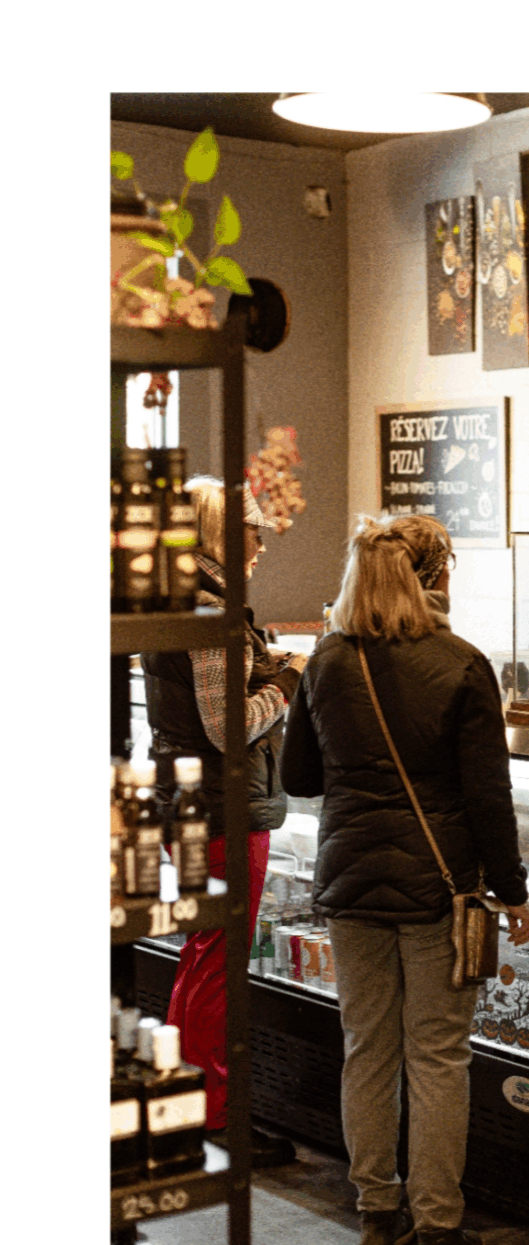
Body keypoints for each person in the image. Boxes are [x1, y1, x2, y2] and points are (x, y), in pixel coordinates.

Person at [279, 513, 529, 1245]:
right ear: (437, 576)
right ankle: (437, 1223)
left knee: (367, 1047)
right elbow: (489, 797)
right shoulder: (461, 663)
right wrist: (513, 893)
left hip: (351, 884)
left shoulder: (327, 660)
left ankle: (375, 1211)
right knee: (437, 1055)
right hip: (437, 886)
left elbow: (299, 778)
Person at [140, 476, 307, 1167]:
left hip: (187, 804)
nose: (264, 542)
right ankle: (216, 1117)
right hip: (223, 809)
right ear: (219, 533)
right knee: (217, 964)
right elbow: (227, 727)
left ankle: (185, 1103)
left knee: (200, 957)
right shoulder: (212, 608)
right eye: (253, 529)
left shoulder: (184, 599)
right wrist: (289, 678)